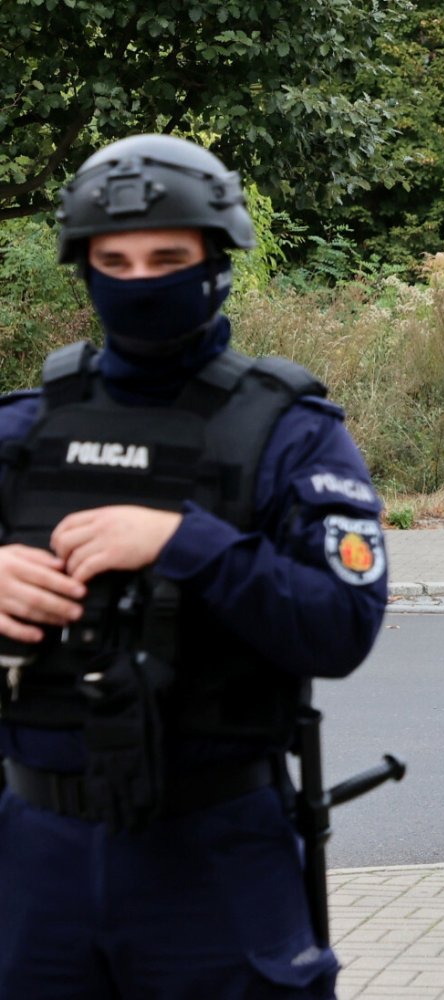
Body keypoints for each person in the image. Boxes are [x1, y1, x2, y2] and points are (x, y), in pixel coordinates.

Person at [0, 135, 388, 998]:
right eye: (116, 260)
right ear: (86, 268)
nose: (140, 281)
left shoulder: (292, 432)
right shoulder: (22, 432)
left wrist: (184, 540)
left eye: (167, 257)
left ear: (216, 262)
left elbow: (341, 627)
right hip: (34, 859)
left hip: (214, 852)